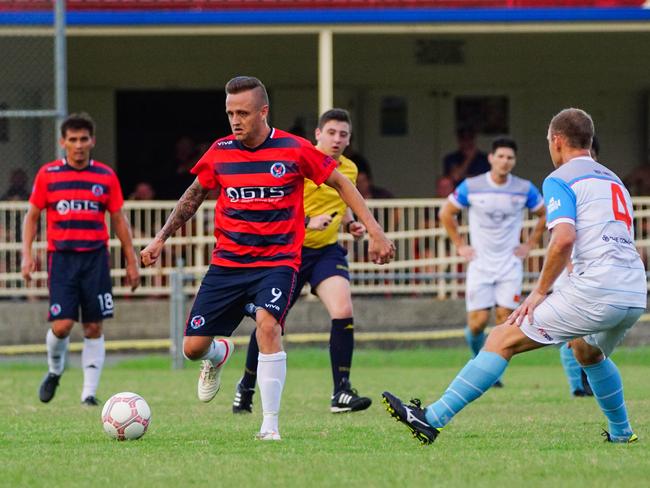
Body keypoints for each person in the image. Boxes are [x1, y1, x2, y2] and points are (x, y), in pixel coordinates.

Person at [140, 77, 395, 441]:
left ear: (263, 112)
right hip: (227, 263)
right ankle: (218, 353)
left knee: (269, 324)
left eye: (242, 113)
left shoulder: (294, 149)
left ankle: (269, 426)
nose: (235, 120)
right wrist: (160, 239)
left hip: (278, 260)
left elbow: (341, 183)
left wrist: (375, 231)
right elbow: (193, 195)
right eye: (230, 113)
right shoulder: (221, 150)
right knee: (193, 348)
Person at [382, 108, 647, 445]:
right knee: (587, 352)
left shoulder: (561, 178)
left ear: (557, 141)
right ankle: (623, 433)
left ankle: (431, 418)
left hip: (597, 288)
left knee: (501, 338)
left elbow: (563, 238)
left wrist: (539, 292)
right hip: (634, 290)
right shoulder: (613, 179)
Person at [232, 108, 372, 415]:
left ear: (349, 139)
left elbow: (342, 200)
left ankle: (341, 392)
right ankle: (246, 387)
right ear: (318, 134)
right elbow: (275, 202)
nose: (337, 139)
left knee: (343, 309)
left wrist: (350, 224)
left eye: (343, 134)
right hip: (289, 251)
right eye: (331, 133)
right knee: (269, 323)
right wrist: (307, 220)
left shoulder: (348, 169)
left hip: (326, 252)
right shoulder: (300, 159)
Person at [21, 112, 140, 406]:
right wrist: (27, 254)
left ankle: (88, 393)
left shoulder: (105, 176)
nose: (78, 145)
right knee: (62, 325)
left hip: (95, 260)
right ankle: (55, 369)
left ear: (92, 141)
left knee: (94, 327)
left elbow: (118, 219)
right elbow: (32, 216)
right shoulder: (48, 175)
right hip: (62, 260)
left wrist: (131, 259)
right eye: (72, 139)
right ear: (63, 142)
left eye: (83, 139)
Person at [438, 137, 547, 387]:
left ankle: (492, 373)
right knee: (476, 324)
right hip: (480, 263)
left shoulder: (524, 188)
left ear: (514, 161)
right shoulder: (472, 185)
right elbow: (446, 212)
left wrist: (529, 244)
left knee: (504, 318)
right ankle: (481, 361)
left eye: (510, 158)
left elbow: (544, 215)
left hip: (510, 264)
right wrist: (460, 244)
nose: (505, 161)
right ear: (491, 158)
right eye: (500, 156)